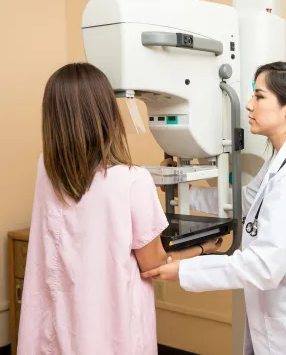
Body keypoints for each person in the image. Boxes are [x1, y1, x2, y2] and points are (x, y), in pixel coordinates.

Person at [141, 61, 286, 354]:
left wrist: (184, 270)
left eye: (259, 96)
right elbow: (247, 202)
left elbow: (263, 267)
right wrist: (180, 187)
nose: (248, 105)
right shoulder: (283, 160)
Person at [16, 62, 222, 355]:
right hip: (111, 331)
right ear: (105, 113)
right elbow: (153, 265)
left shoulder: (46, 170)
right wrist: (203, 248)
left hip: (59, 325)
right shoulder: (131, 180)